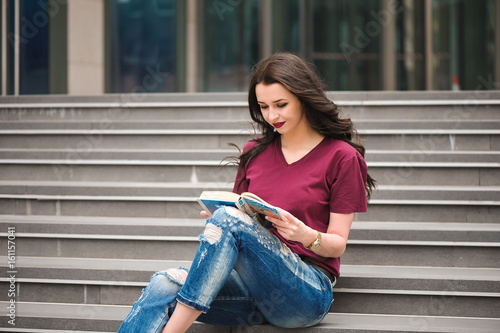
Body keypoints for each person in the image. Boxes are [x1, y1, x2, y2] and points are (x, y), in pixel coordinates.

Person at [117, 52, 375, 333]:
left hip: (305, 292)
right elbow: (237, 220)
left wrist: (304, 234)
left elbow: (337, 243)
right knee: (164, 283)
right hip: (251, 290)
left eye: (281, 104)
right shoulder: (255, 151)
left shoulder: (342, 157)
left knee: (229, 220)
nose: (271, 115)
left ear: (304, 98)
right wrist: (218, 216)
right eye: (263, 106)